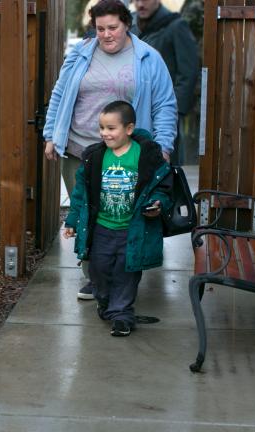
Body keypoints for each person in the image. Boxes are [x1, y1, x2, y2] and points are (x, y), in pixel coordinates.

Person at [43, 0, 177, 300]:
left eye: (112, 27)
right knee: (88, 214)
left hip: (126, 153)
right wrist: (51, 134)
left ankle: (121, 274)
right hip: (81, 150)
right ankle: (94, 276)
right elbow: (60, 95)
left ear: (126, 24)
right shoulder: (79, 55)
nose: (106, 34)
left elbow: (165, 105)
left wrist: (163, 147)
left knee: (119, 215)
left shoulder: (147, 58)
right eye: (100, 28)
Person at [63, 100, 172, 336]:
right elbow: (80, 193)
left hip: (131, 228)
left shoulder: (145, 156)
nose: (105, 133)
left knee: (126, 271)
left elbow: (161, 188)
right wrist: (72, 221)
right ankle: (106, 304)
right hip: (101, 227)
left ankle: (122, 314)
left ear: (129, 129)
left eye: (111, 128)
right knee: (98, 269)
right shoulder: (95, 157)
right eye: (102, 128)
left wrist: (157, 204)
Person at [131, 0, 199, 165]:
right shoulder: (129, 23)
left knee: (164, 166)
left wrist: (176, 111)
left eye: (145, 0)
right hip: (135, 106)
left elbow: (188, 71)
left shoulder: (175, 25)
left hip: (164, 109)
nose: (140, 4)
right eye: (136, 0)